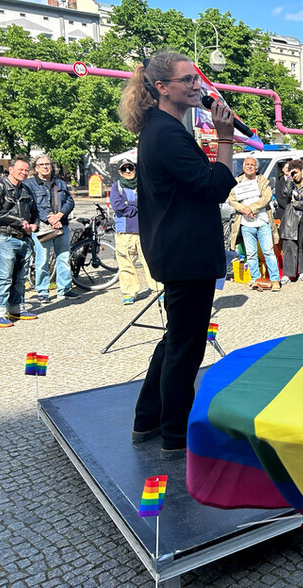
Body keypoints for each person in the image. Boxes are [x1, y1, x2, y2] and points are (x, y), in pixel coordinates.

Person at [119, 50, 236, 458]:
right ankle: (174, 435)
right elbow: (213, 187)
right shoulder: (165, 133)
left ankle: (147, 419)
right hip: (186, 254)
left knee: (175, 341)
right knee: (186, 348)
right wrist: (225, 139)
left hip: (178, 251)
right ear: (161, 88)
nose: (196, 86)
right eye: (186, 80)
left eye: (196, 79)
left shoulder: (159, 128)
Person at [0, 156, 39, 327]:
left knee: (20, 277)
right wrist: (18, 221)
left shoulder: (26, 190)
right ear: (11, 169)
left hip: (23, 238)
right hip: (4, 238)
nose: (24, 173)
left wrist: (34, 225)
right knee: (3, 277)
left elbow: (34, 212)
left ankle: (16, 309)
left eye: (26, 170)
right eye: (21, 169)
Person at [23, 154, 79, 303]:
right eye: (42, 164)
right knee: (42, 260)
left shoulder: (59, 183)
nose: (46, 167)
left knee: (64, 258)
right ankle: (42, 291)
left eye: (48, 164)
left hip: (62, 225)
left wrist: (60, 215)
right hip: (42, 227)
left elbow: (69, 201)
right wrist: (50, 218)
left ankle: (64, 289)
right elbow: (31, 205)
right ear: (36, 168)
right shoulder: (29, 184)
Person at [109, 158, 162, 304]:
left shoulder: (144, 184)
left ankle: (158, 289)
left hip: (146, 229)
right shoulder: (116, 187)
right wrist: (135, 207)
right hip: (124, 231)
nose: (128, 171)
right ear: (120, 172)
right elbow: (118, 205)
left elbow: (151, 202)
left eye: (130, 168)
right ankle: (129, 293)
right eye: (124, 169)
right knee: (126, 263)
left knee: (151, 261)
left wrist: (130, 205)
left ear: (135, 169)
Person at [227, 156, 281, 291]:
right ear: (243, 167)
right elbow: (232, 200)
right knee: (250, 254)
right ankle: (256, 279)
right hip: (246, 224)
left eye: (252, 164)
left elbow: (266, 198)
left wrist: (251, 208)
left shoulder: (262, 181)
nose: (249, 166)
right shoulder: (237, 182)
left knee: (268, 252)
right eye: (247, 164)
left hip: (262, 222)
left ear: (256, 168)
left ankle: (275, 280)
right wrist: (244, 210)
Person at [279, 159, 303, 283]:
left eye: (297, 172)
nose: (295, 175)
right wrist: (289, 179)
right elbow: (285, 194)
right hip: (291, 219)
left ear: (301, 171)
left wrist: (297, 204)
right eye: (292, 172)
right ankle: (288, 274)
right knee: (289, 246)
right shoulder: (289, 184)